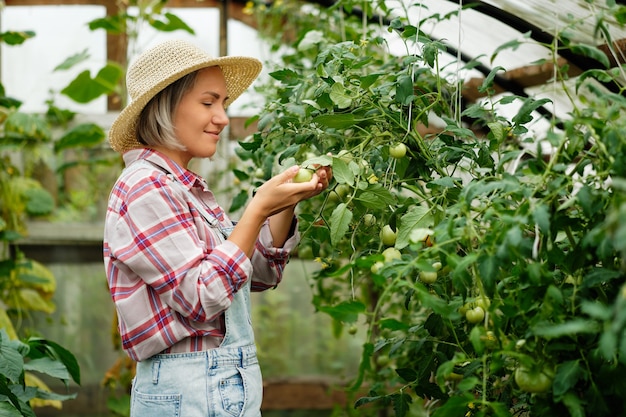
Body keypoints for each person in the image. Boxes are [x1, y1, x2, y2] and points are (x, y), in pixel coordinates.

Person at [102, 39, 331, 417]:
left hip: (214, 382)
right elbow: (201, 297)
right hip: (190, 388)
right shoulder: (145, 187)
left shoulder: (182, 187)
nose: (223, 117)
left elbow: (254, 274)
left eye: (223, 103)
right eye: (209, 102)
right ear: (165, 106)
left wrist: (285, 203)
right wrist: (257, 209)